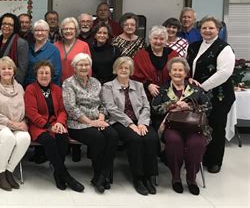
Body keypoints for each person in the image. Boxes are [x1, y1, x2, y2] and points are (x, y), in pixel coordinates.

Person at [151, 57, 212, 195]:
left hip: (193, 126)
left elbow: (208, 107)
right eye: (175, 70)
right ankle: (176, 177)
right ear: (170, 72)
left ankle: (191, 178)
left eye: (181, 70)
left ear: (186, 73)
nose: (178, 73)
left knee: (197, 143)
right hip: (172, 126)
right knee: (174, 141)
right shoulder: (162, 89)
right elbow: (154, 108)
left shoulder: (196, 89)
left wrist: (190, 106)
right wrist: (172, 105)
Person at [101, 56, 159, 196]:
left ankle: (149, 177)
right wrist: (130, 124)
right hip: (119, 122)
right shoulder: (108, 86)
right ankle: (138, 178)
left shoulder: (138, 86)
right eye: (121, 67)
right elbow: (111, 108)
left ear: (131, 70)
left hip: (140, 121)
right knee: (135, 140)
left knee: (151, 138)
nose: (123, 70)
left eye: (126, 68)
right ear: (115, 69)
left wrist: (142, 123)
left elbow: (146, 106)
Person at [62, 53, 118, 194]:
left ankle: (102, 175)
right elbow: (71, 108)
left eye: (86, 64)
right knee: (98, 138)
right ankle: (99, 174)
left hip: (97, 120)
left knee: (113, 135)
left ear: (90, 67)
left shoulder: (95, 82)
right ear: (74, 67)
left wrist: (100, 119)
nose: (84, 67)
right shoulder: (68, 83)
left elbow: (103, 104)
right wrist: (91, 122)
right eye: (80, 64)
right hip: (77, 123)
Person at [24, 61, 84, 192]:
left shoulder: (57, 89)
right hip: (38, 125)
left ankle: (58, 173)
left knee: (63, 138)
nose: (44, 75)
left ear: (51, 75)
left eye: (47, 73)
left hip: (56, 123)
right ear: (36, 75)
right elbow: (31, 112)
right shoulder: (31, 89)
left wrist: (59, 123)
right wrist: (48, 125)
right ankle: (66, 176)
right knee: (48, 140)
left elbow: (63, 110)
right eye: (41, 73)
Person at [187, 16, 236, 174]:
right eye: (204, 28)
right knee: (200, 125)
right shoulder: (193, 46)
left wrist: (201, 87)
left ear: (218, 30)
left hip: (219, 95)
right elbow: (189, 66)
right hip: (199, 95)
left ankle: (215, 161)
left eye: (211, 28)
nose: (207, 31)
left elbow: (224, 73)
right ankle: (202, 156)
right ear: (199, 30)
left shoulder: (224, 48)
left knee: (216, 126)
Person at [0, 57, 31, 191]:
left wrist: (23, 122)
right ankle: (0, 173)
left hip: (16, 124)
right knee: (8, 138)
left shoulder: (19, 87)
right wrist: (11, 124)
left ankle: (9, 171)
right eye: (3, 68)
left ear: (14, 71)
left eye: (9, 68)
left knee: (25, 138)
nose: (6, 71)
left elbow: (25, 109)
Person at [132, 25, 178, 101]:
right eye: (155, 38)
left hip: (170, 96)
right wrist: (148, 85)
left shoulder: (173, 55)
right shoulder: (140, 55)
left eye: (162, 39)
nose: (158, 41)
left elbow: (180, 72)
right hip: (145, 96)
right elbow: (134, 76)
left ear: (166, 40)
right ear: (150, 39)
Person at [0, 13, 29, 85]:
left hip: (11, 85)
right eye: (4, 23)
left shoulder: (21, 43)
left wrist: (11, 84)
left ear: (15, 27)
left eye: (10, 24)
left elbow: (22, 69)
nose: (6, 26)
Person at [25, 19, 61, 86]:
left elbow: (56, 73)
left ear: (47, 32)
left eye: (42, 30)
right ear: (33, 32)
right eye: (37, 30)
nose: (39, 33)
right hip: (28, 88)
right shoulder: (28, 47)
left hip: (46, 88)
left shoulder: (53, 50)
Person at [54, 17, 91, 83]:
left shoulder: (84, 46)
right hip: (57, 84)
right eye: (65, 29)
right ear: (61, 31)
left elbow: (88, 68)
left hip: (77, 85)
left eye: (71, 29)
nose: (68, 31)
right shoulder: (54, 46)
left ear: (76, 30)